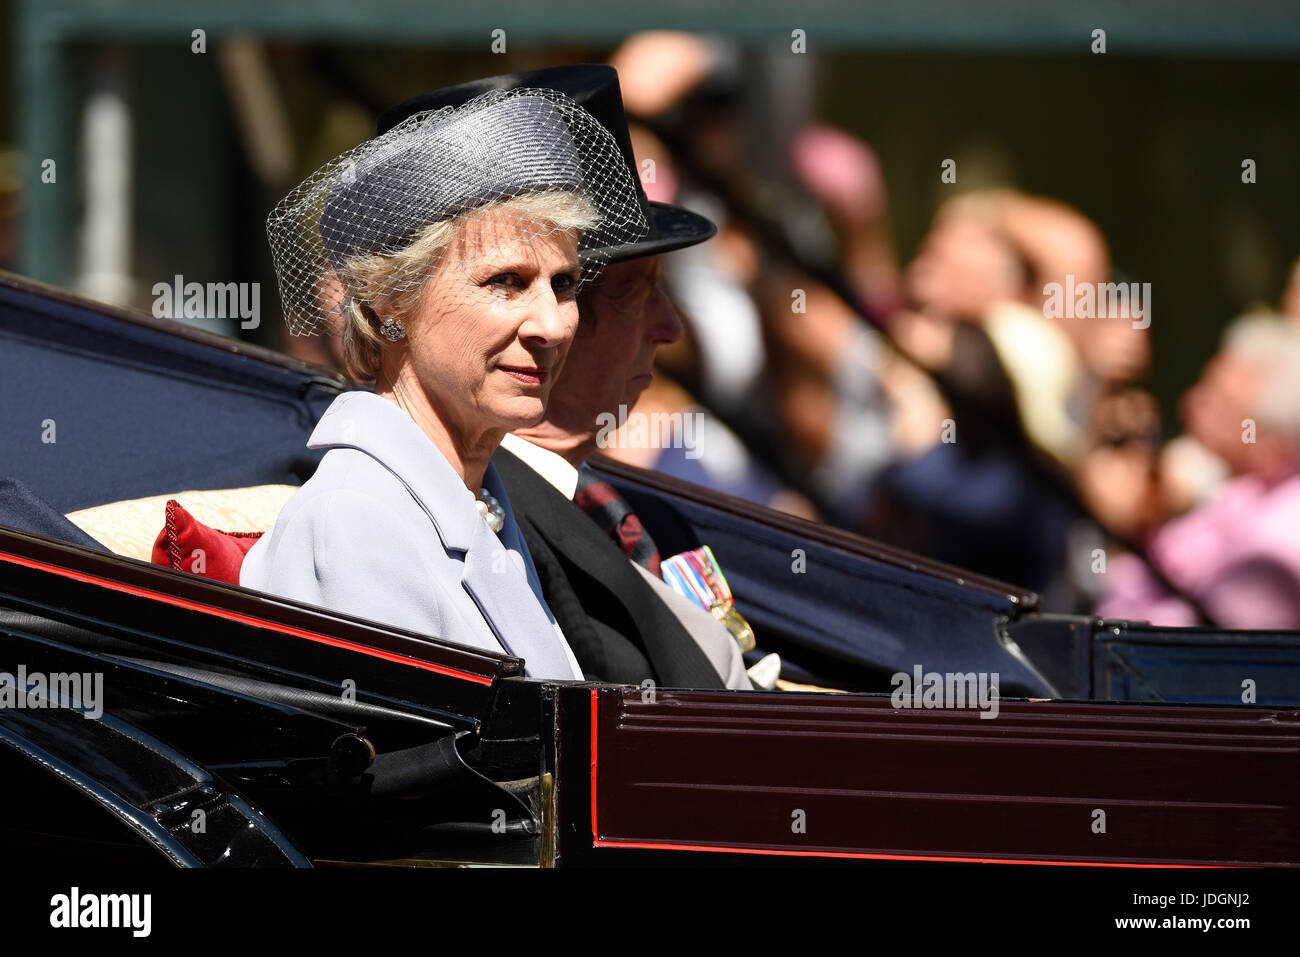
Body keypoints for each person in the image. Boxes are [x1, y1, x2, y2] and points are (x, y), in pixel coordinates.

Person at [240, 89, 649, 678]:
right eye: (506, 282)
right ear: (387, 302)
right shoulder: (356, 522)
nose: (554, 325)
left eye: (563, 285)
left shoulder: (474, 497)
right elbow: (410, 766)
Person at [376, 66, 752, 690]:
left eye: (564, 286)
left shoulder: (637, 513)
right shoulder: (459, 516)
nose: (672, 329)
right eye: (640, 297)